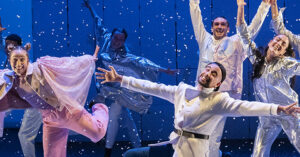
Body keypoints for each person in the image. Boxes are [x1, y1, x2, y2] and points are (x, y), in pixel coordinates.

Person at [96, 63, 300, 157]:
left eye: (214, 73)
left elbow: (246, 107)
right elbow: (151, 87)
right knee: (131, 155)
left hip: (194, 152)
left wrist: (278, 108)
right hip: (174, 144)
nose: (209, 73)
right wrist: (121, 79)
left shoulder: (219, 99)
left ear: (218, 82)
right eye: (208, 69)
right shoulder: (182, 90)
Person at [83, 1, 177, 156]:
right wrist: (90, 7)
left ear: (124, 41)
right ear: (111, 36)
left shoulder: (125, 56)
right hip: (105, 85)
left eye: (120, 40)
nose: (117, 42)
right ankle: (138, 147)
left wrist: (163, 70)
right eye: (115, 38)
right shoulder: (105, 39)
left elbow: (141, 62)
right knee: (127, 119)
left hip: (119, 90)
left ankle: (109, 149)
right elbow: (97, 20)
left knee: (114, 113)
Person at [189, 0, 272, 155]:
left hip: (222, 95)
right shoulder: (204, 39)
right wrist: (194, 2)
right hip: (202, 94)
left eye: (223, 25)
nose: (219, 27)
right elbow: (196, 17)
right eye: (216, 24)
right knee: (197, 132)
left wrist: (264, 6)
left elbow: (251, 30)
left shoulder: (236, 42)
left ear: (227, 29)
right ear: (212, 27)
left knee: (214, 134)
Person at [0, 46, 109, 157]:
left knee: (98, 133)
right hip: (50, 120)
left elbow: (67, 64)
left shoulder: (41, 67)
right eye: (15, 60)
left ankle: (99, 104)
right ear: (10, 61)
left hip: (66, 111)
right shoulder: (8, 78)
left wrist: (89, 59)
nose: (18, 64)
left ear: (27, 59)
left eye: (21, 59)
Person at [236, 0, 300, 156]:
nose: (279, 43)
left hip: (290, 113)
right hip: (267, 115)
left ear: (284, 52)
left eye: (283, 44)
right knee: (258, 154)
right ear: (271, 42)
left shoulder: (286, 63)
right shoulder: (257, 60)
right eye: (277, 40)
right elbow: (243, 35)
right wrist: (240, 8)